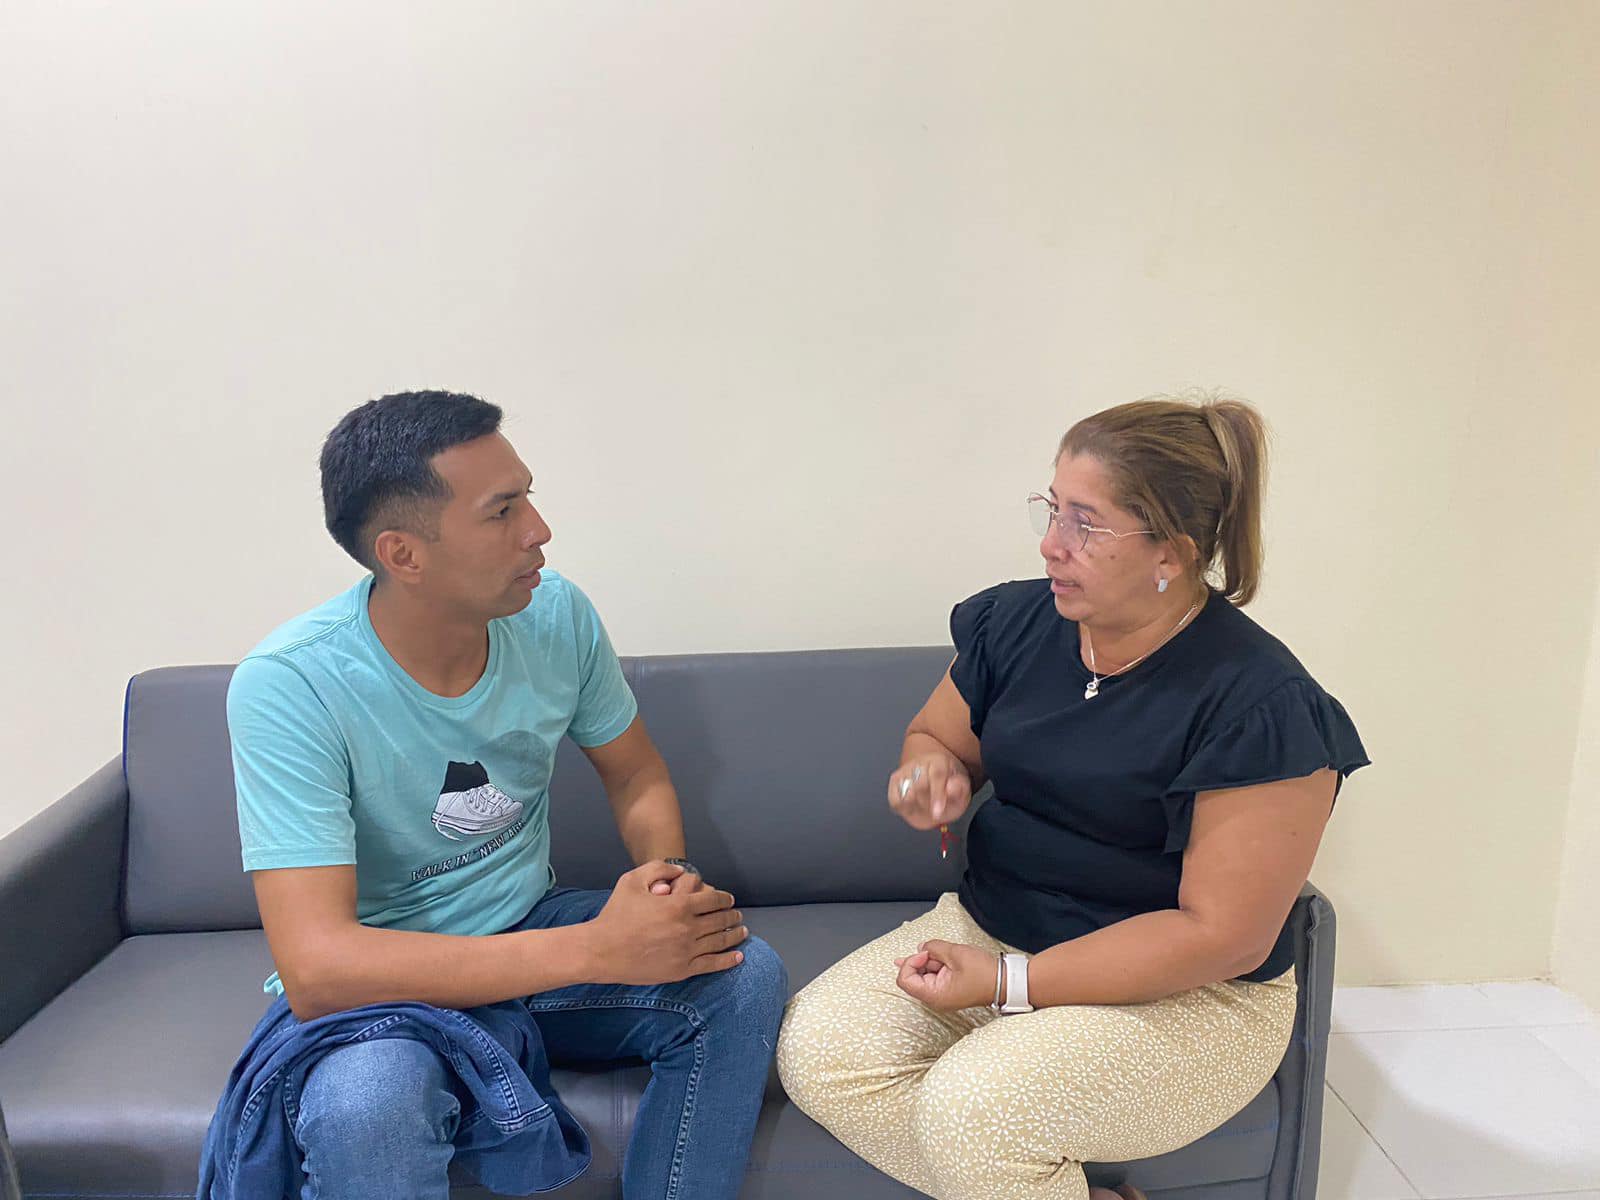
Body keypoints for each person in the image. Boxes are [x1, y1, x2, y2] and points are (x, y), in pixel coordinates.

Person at [778, 395, 1369, 1200]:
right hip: (994, 929)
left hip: (1187, 997)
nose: (1052, 544)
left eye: (1086, 525)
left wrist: (1008, 984)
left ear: (1172, 552)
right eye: (1052, 509)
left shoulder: (1261, 703)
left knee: (975, 1113)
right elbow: (937, 736)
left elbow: (1223, 938)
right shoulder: (1018, 623)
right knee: (821, 1052)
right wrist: (931, 772)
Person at [212, 390, 786, 1200]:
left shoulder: (555, 615)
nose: (539, 530)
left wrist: (666, 887)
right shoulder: (291, 685)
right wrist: (600, 949)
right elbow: (318, 968)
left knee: (740, 972)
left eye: (529, 497)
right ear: (404, 554)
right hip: (386, 978)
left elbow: (635, 773)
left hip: (524, 926)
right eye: (503, 511)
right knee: (366, 1101)